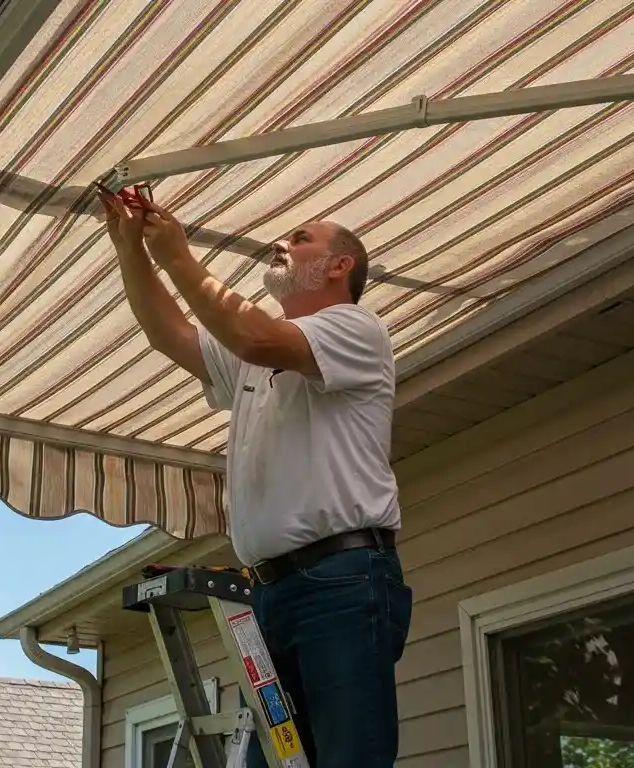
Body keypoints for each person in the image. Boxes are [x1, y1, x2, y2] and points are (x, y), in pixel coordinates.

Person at [98, 188, 412, 767]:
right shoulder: (246, 355)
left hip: (341, 581)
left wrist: (175, 255)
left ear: (339, 266)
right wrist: (130, 248)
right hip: (271, 592)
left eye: (300, 238)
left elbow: (254, 335)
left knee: (349, 758)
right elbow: (170, 333)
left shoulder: (355, 329)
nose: (281, 243)